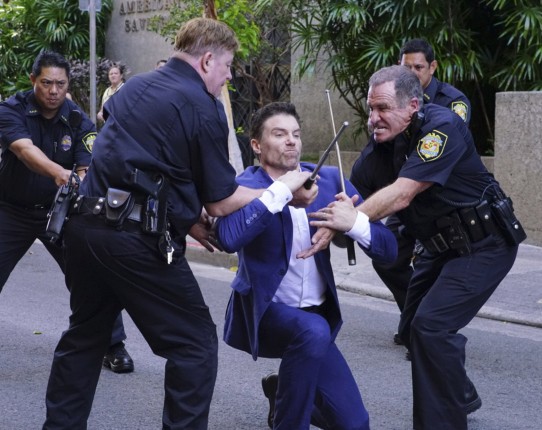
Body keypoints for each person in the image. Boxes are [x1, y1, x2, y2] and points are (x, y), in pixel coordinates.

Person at [42, 19, 316, 430]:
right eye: (227, 67)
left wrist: (185, 218)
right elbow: (221, 200)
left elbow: (144, 163)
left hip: (85, 227)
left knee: (84, 337)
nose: (228, 77)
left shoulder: (135, 87)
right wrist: (284, 191)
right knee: (194, 345)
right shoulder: (202, 105)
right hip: (132, 240)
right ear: (207, 60)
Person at [309, 65, 524, 430]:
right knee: (412, 329)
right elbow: (350, 207)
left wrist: (352, 217)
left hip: (484, 243)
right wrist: (320, 206)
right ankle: (460, 394)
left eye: (383, 108)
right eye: (371, 108)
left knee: (431, 328)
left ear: (412, 105)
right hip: (439, 248)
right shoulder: (377, 152)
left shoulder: (441, 128)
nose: (373, 118)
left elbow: (402, 193)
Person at [215, 102, 397, 430]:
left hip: (315, 320)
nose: (291, 141)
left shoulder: (328, 179)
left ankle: (283, 392)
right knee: (312, 330)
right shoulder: (244, 185)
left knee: (355, 424)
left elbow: (390, 250)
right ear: (256, 145)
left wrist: (354, 223)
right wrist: (280, 193)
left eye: (296, 134)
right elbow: (228, 238)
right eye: (279, 134)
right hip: (267, 313)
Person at [0, 50, 134, 375]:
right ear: (33, 80)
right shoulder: (11, 109)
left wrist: (82, 184)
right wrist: (59, 172)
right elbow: (24, 150)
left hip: (59, 211)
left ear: (68, 84)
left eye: (60, 84)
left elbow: (87, 168)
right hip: (11, 210)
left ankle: (112, 345)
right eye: (46, 83)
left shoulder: (79, 121)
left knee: (93, 274)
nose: (53, 91)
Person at [358, 38, 473, 346]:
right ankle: (414, 317)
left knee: (429, 262)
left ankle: (426, 326)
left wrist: (351, 218)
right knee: (387, 258)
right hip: (404, 198)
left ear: (432, 67)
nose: (411, 72)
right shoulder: (387, 105)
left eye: (418, 67)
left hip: (436, 196)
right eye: (405, 67)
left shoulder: (451, 104)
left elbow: (440, 152)